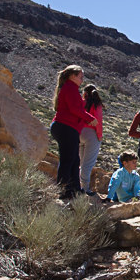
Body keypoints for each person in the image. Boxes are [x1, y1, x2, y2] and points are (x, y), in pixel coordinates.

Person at [50, 65, 97, 199]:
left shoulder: (71, 88)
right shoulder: (70, 88)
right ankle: (64, 190)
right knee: (67, 159)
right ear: (72, 76)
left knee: (74, 160)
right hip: (65, 127)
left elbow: (76, 109)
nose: (82, 80)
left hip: (67, 128)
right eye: (80, 77)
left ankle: (75, 189)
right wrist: (90, 118)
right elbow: (74, 109)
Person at [79, 84, 104, 195]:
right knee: (88, 164)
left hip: (78, 132)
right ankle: (85, 189)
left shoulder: (81, 102)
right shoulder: (96, 105)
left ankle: (77, 186)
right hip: (91, 134)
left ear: (85, 93)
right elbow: (98, 121)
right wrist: (99, 136)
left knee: (80, 162)